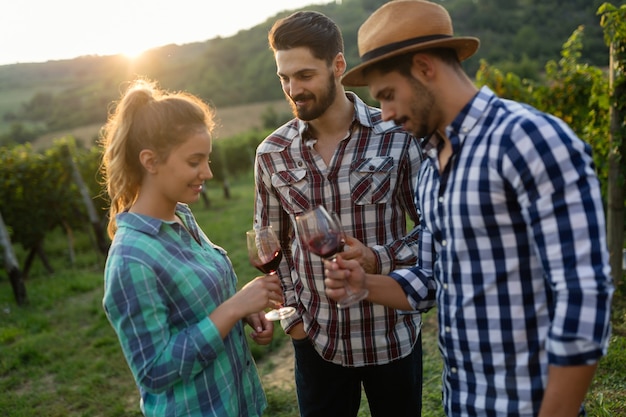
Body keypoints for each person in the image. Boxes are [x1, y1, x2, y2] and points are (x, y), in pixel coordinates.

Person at [324, 1, 615, 417]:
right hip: (463, 403)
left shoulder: (528, 139)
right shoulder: (431, 166)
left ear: (425, 67)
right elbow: (430, 280)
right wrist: (365, 284)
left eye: (388, 95)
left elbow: (584, 295)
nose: (385, 114)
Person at [253, 10, 429, 417]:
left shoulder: (396, 137)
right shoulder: (272, 154)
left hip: (392, 335)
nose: (293, 89)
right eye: (284, 78)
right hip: (318, 342)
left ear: (338, 66)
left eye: (304, 75)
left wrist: (376, 258)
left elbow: (434, 231)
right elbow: (270, 245)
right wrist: (295, 322)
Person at [100, 78, 283, 417]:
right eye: (195, 161)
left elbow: (195, 311)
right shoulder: (131, 260)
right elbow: (154, 372)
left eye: (208, 159)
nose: (208, 172)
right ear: (150, 161)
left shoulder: (182, 217)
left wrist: (243, 310)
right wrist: (232, 310)